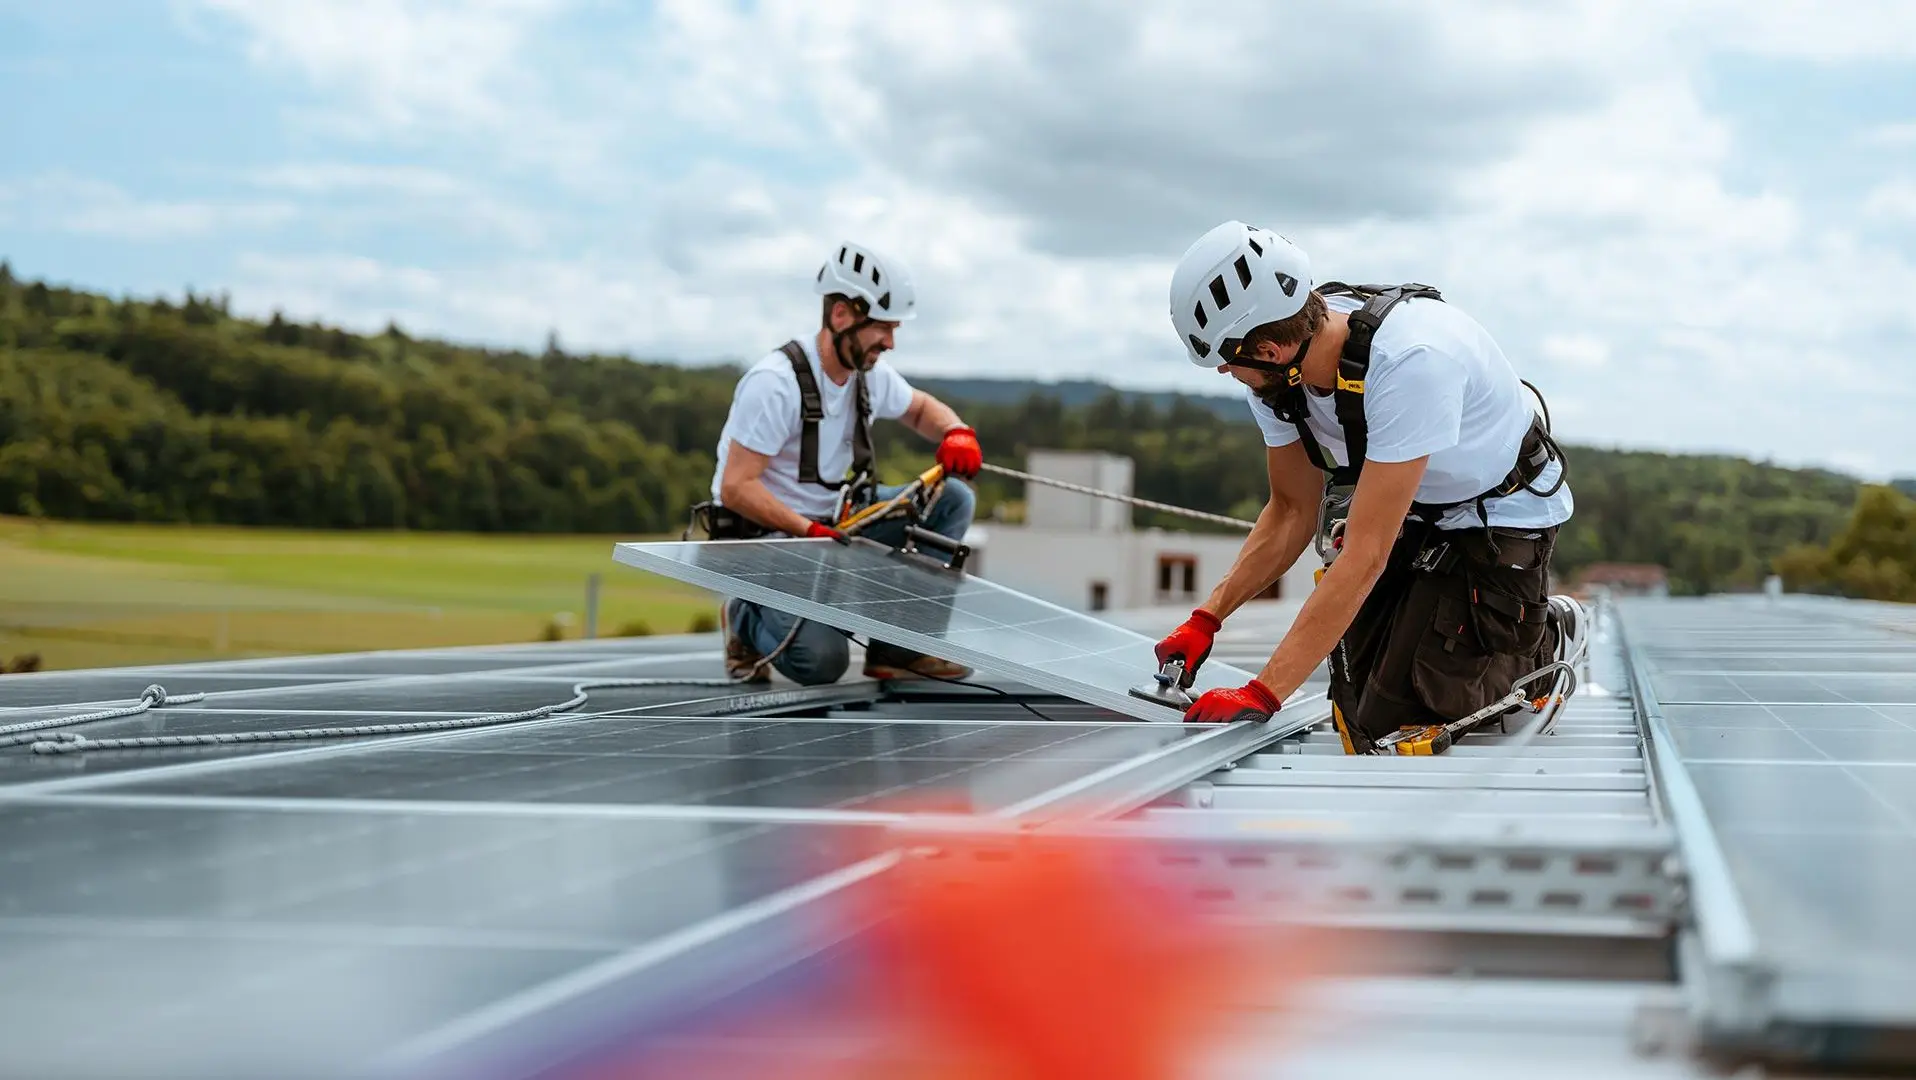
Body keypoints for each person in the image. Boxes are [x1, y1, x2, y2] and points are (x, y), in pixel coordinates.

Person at [1152, 221, 1573, 752]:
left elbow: (1366, 554)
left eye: (1226, 362)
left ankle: (1543, 635)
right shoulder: (1282, 383)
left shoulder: (1410, 362)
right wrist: (1206, 619)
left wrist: (1263, 693)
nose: (1223, 373)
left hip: (1498, 513)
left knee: (1404, 714)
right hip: (1413, 506)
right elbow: (1290, 510)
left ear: (1269, 351)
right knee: (1358, 713)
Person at [706, 241, 985, 685]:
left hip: (836, 526)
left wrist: (956, 431)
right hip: (771, 544)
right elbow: (736, 487)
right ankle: (744, 617)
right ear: (841, 315)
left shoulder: (867, 375)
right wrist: (807, 530)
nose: (890, 343)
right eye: (882, 328)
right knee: (820, 663)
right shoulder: (775, 384)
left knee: (951, 498)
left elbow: (918, 409)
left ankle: (899, 649)